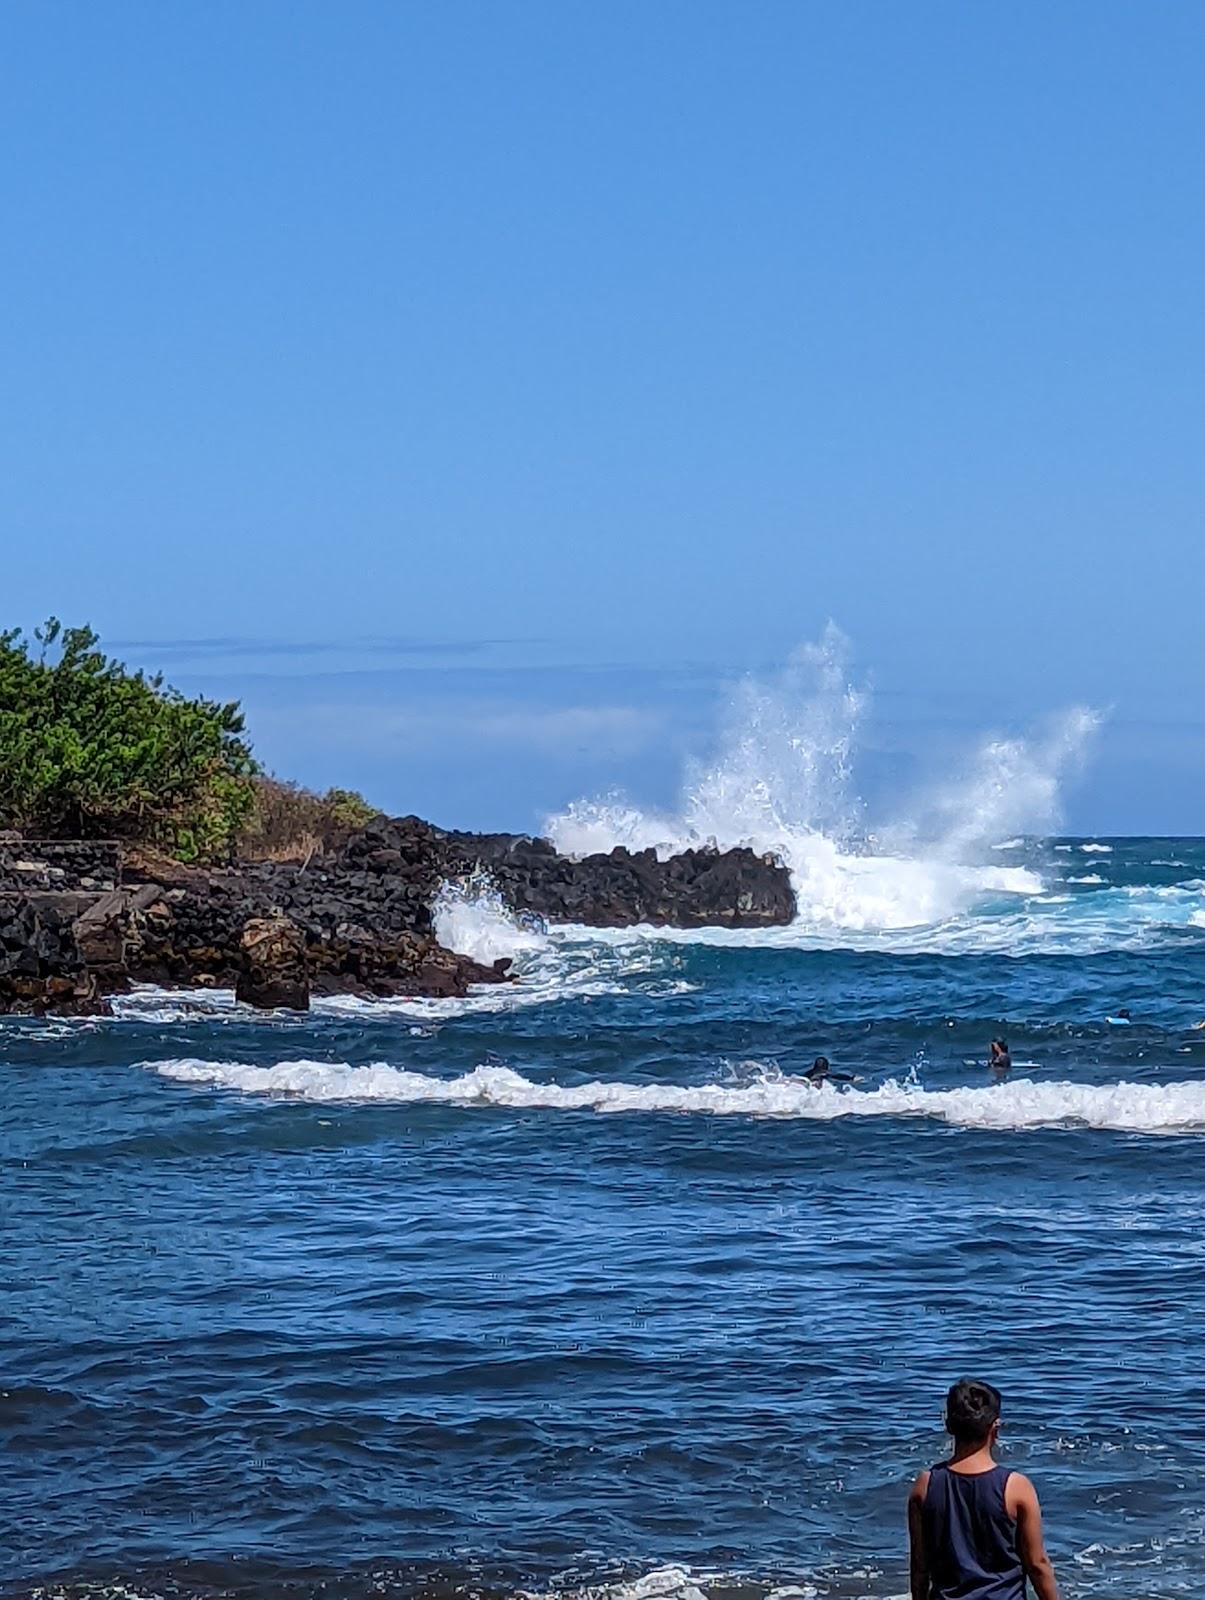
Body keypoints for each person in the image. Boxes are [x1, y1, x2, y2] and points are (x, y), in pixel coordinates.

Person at [907, 1378, 1059, 1600]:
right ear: (995, 1429)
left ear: (948, 1425)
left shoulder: (925, 1485)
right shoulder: (1016, 1487)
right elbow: (1037, 1565)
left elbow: (920, 1567)